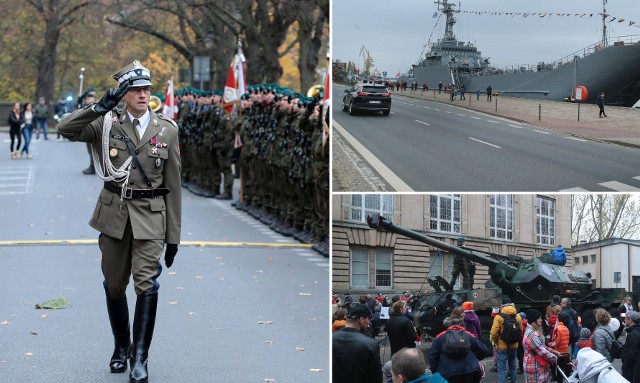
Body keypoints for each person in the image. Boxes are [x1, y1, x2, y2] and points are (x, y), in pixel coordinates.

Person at [57, 60, 182, 383]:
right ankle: (121, 346)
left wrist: (173, 237)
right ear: (124, 94)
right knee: (114, 286)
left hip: (151, 217)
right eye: (136, 90)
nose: (143, 95)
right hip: (114, 215)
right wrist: (98, 107)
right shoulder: (106, 124)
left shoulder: (166, 129)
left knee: (147, 284)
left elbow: (174, 185)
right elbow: (66, 130)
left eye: (146, 90)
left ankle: (140, 359)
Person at [429, 315, 488, 383]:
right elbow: (484, 349)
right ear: (461, 324)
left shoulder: (440, 337)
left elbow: (433, 356)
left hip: (448, 373)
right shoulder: (467, 335)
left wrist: (435, 372)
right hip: (470, 370)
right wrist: (476, 357)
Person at [332, 304, 382, 383]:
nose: (368, 322)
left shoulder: (331, 339)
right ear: (362, 319)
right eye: (368, 319)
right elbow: (375, 378)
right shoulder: (370, 344)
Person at [491, 297, 522, 383]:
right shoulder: (518, 316)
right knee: (512, 365)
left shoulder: (498, 317)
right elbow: (520, 331)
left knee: (501, 368)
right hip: (514, 345)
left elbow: (493, 333)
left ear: (502, 305)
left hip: (502, 347)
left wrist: (497, 341)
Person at [522, 309, 557, 383]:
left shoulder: (530, 331)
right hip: (535, 365)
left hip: (534, 363)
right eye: (539, 318)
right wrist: (554, 357)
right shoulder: (533, 335)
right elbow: (542, 351)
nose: (541, 320)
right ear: (533, 320)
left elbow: (542, 347)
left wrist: (553, 351)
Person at [549, 311, 571, 382]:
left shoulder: (557, 329)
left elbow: (556, 343)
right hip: (565, 353)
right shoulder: (566, 328)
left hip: (558, 353)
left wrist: (548, 344)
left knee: (557, 371)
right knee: (561, 371)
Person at [80, 88, 98, 175]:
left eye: (89, 98)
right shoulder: (87, 107)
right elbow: (79, 101)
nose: (87, 100)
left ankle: (93, 168)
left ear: (94, 99)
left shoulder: (97, 107)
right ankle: (92, 167)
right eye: (87, 99)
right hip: (89, 132)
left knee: (93, 151)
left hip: (95, 132)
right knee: (90, 151)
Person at [621, 310, 640, 381]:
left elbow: (632, 353)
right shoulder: (635, 331)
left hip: (632, 370)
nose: (624, 319)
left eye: (626, 318)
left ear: (630, 320)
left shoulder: (634, 334)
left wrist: (625, 365)